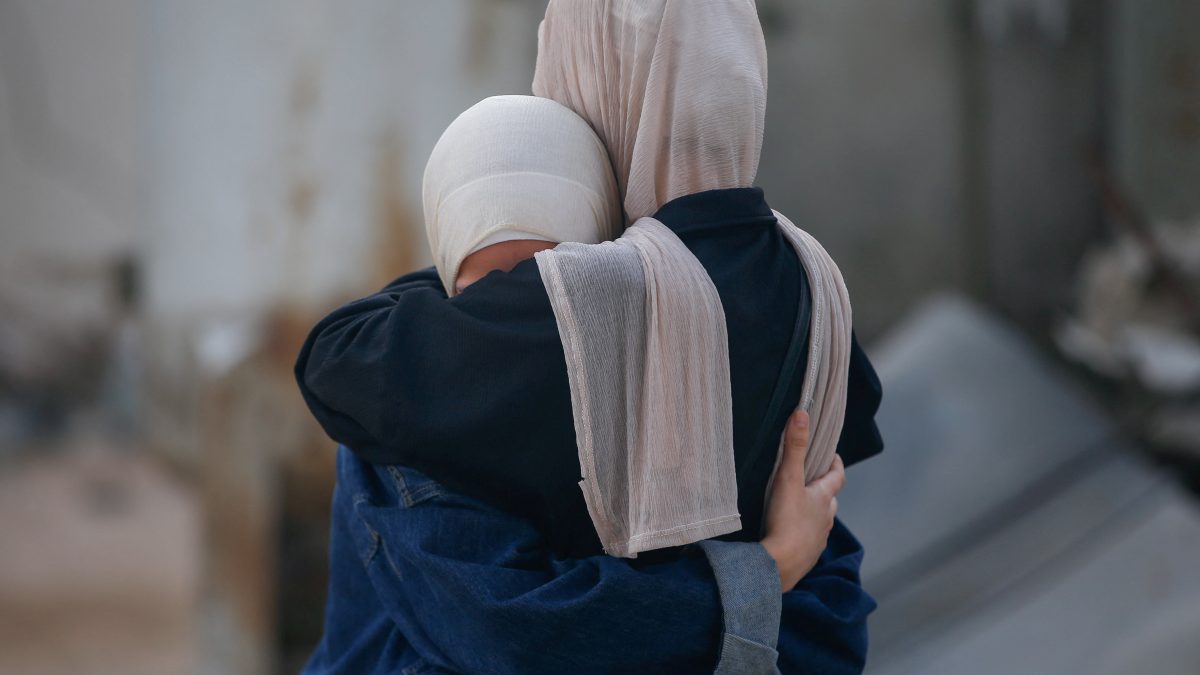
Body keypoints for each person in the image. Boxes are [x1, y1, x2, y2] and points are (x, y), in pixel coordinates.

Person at [297, 1, 884, 672]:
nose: (510, 298)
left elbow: (334, 360)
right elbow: (832, 609)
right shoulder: (815, 284)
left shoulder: (565, 315)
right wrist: (766, 574)